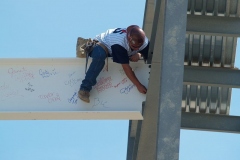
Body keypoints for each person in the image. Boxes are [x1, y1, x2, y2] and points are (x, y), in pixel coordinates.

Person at [78, 25, 149, 103]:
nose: (137, 49)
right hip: (102, 45)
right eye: (134, 47)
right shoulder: (119, 43)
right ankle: (84, 89)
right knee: (99, 56)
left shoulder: (143, 41)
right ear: (128, 40)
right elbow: (126, 67)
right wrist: (138, 85)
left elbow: (150, 53)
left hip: (120, 50)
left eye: (138, 47)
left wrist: (139, 54)